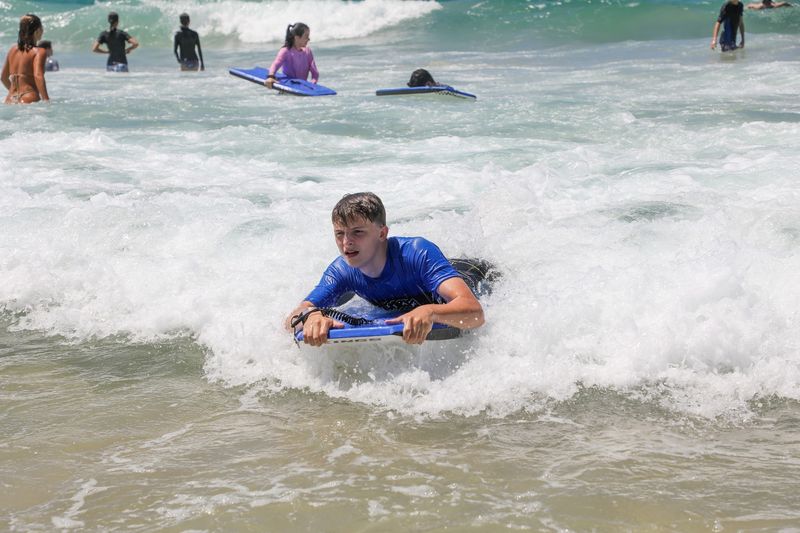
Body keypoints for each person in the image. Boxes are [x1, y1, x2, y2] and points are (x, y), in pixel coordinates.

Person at [285, 192, 485, 346]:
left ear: (382, 233)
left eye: (357, 232)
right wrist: (310, 316)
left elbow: (476, 313)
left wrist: (430, 311)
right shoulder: (342, 271)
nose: (346, 242)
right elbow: (293, 318)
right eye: (339, 233)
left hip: (473, 274)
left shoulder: (417, 252)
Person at [1, 14, 48, 104]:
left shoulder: (12, 50)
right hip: (29, 97)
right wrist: (47, 101)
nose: (42, 31)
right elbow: (38, 76)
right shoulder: (39, 52)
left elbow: (3, 78)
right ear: (37, 31)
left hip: (10, 98)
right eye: (41, 28)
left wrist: (13, 92)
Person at [264, 22, 318, 89]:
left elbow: (315, 73)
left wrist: (312, 85)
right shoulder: (285, 51)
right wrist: (270, 77)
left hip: (302, 90)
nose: (309, 39)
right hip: (287, 89)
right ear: (297, 37)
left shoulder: (308, 52)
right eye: (306, 36)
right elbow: (276, 64)